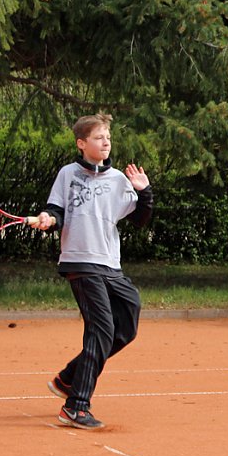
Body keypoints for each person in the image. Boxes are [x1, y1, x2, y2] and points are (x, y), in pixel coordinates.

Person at [32, 113, 154, 429]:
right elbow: (57, 210)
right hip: (80, 261)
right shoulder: (67, 174)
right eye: (99, 137)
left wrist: (144, 192)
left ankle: (70, 378)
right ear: (82, 143)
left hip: (109, 263)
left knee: (126, 323)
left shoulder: (118, 180)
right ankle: (76, 406)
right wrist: (48, 218)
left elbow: (140, 220)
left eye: (108, 138)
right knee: (100, 328)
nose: (106, 142)